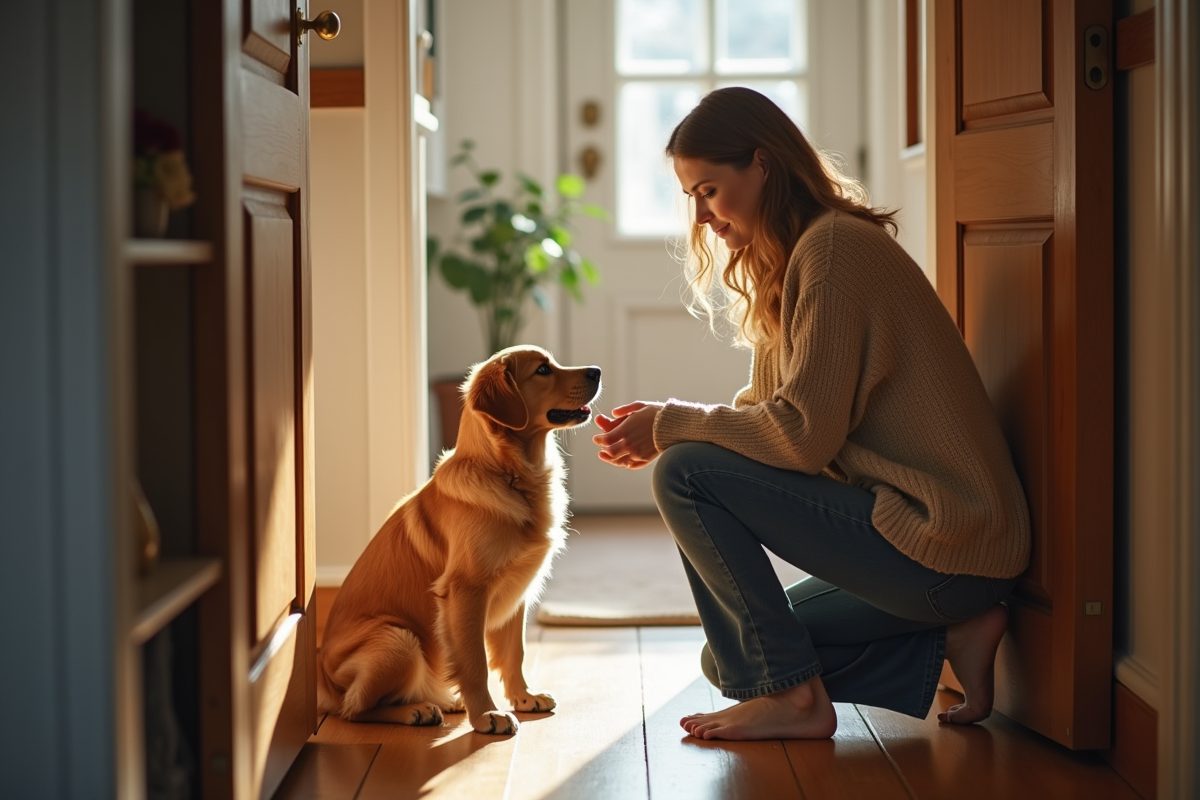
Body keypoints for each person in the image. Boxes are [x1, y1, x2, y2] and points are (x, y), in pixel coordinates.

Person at [591, 87, 1031, 741]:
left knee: (684, 471)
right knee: (733, 660)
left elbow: (799, 437)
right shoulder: (795, 258)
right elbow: (769, 416)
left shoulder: (834, 253)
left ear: (762, 165)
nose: (704, 215)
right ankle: (951, 640)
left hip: (945, 544)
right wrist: (677, 423)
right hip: (940, 566)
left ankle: (798, 703)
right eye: (693, 197)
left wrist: (672, 424)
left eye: (709, 190)